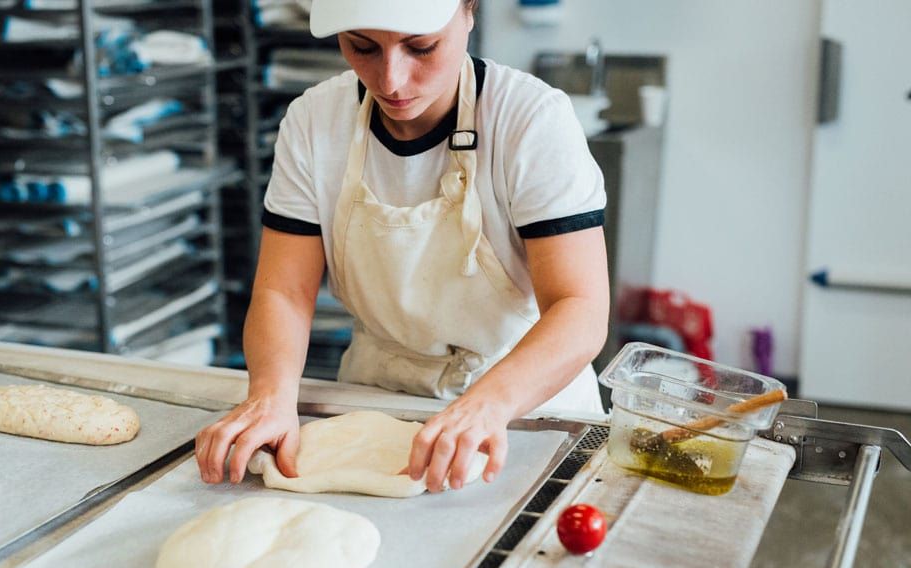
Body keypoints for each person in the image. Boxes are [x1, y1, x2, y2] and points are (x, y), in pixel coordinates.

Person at [196, 0, 609, 492]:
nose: (391, 80)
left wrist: (488, 404)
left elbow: (579, 308)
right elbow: (284, 291)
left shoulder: (530, 121)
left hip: (524, 409)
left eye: (422, 47)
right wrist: (269, 395)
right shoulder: (314, 121)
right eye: (362, 46)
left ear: (469, 13)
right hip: (377, 396)